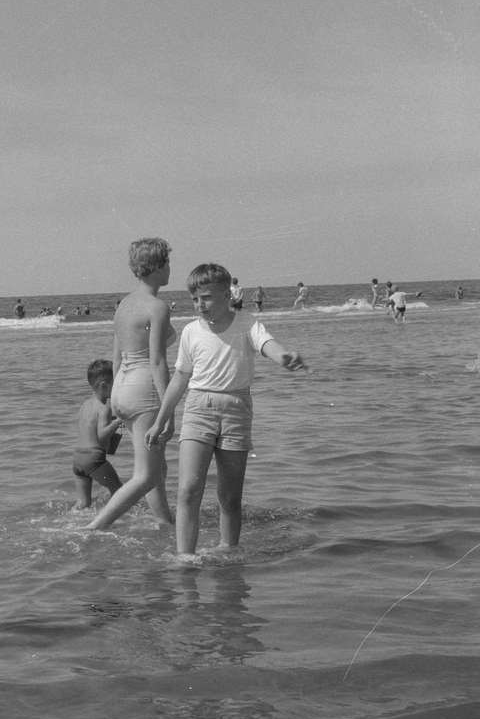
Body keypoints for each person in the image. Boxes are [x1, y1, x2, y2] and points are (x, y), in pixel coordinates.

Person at [146, 263, 306, 558]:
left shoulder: (246, 323)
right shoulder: (191, 331)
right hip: (198, 409)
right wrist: (161, 419)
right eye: (195, 299)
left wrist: (283, 356)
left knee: (230, 496)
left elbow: (267, 344)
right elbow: (180, 377)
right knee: (188, 489)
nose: (200, 304)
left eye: (206, 297)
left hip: (236, 410)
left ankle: (228, 551)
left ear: (227, 294)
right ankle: (185, 557)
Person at [87, 238, 175, 530]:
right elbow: (157, 361)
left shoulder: (124, 305)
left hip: (122, 388)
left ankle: (165, 524)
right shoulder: (157, 307)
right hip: (144, 389)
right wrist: (169, 411)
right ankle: (95, 527)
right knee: (146, 475)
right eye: (167, 263)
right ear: (157, 267)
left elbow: (117, 356)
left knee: (156, 468)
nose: (170, 268)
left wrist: (114, 399)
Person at [73, 359, 124, 509]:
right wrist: (118, 421)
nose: (118, 389)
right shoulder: (104, 409)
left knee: (83, 503)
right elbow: (101, 437)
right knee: (119, 492)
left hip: (78, 459)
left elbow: (87, 429)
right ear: (104, 385)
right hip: (93, 459)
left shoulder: (85, 405)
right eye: (115, 384)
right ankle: (113, 518)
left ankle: (70, 520)